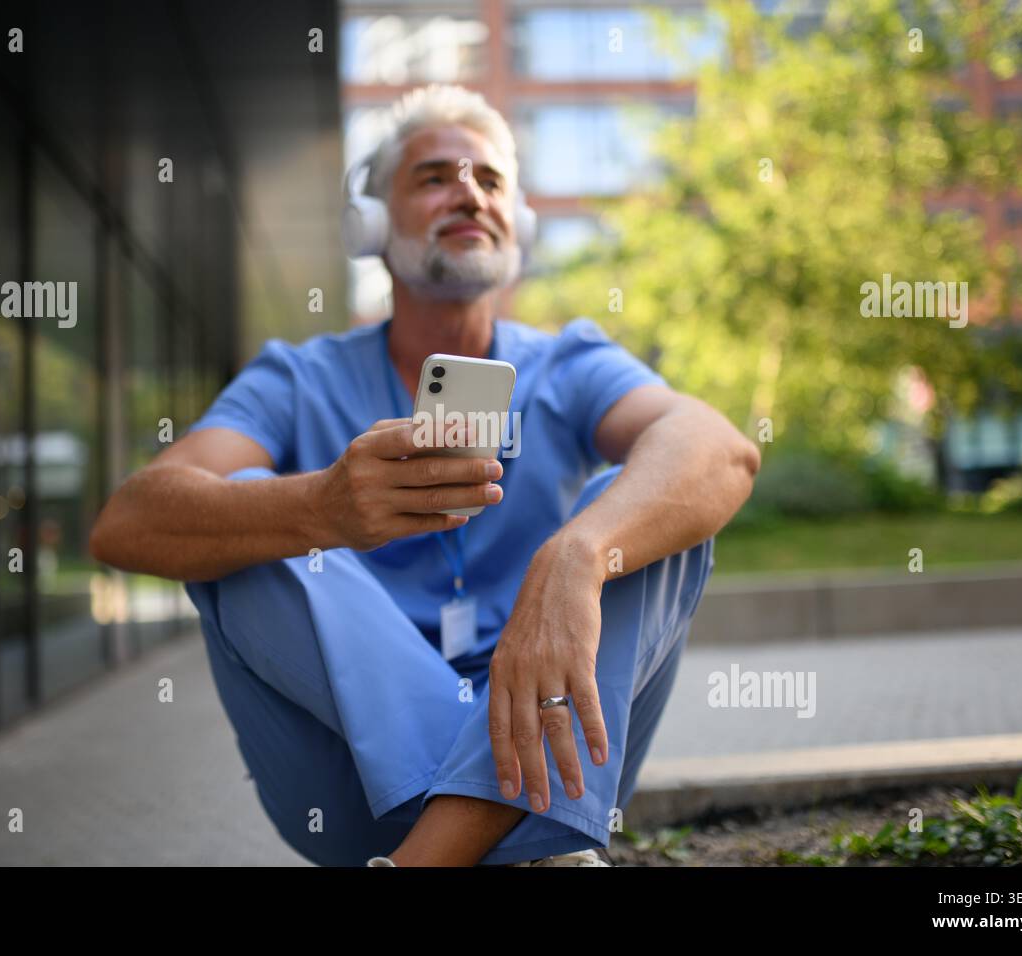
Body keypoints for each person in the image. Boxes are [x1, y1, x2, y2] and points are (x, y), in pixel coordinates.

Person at [89, 83, 760, 867]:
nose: (469, 192)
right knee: (234, 516)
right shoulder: (297, 380)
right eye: (436, 176)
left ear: (519, 226)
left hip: (552, 760)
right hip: (367, 790)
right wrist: (321, 507)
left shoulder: (570, 362)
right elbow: (126, 523)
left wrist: (574, 556)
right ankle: (506, 846)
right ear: (368, 223)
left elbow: (721, 448)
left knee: (646, 505)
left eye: (491, 179)